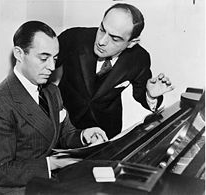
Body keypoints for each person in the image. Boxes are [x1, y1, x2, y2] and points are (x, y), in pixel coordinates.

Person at [0, 21, 108, 195]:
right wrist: (52, 163)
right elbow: (0, 172)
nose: (52, 67)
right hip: (16, 190)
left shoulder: (51, 91)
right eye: (44, 58)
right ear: (19, 54)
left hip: (46, 181)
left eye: (55, 58)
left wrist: (83, 135)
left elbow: (64, 134)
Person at [51, 3, 174, 139]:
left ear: (132, 42)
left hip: (104, 130)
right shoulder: (74, 37)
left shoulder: (139, 59)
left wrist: (151, 95)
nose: (102, 41)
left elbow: (141, 95)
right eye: (102, 29)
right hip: (63, 126)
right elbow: (42, 68)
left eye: (115, 38)